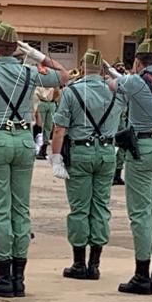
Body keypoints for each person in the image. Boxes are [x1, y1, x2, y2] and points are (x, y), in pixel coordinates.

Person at [0, 23, 67, 298]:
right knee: (20, 208)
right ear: (16, 48)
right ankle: (19, 278)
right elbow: (64, 75)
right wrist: (39, 56)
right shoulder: (28, 72)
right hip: (23, 141)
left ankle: (3, 276)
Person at [104, 0, 152, 296]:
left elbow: (111, 86)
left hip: (143, 148)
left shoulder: (134, 81)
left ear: (138, 61)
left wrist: (113, 74)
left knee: (141, 212)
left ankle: (141, 273)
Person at [49, 49, 120, 279]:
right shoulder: (115, 92)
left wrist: (56, 157)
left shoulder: (72, 91)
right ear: (102, 69)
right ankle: (95, 263)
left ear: (82, 66)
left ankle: (79, 263)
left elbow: (60, 129)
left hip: (80, 151)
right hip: (107, 152)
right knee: (100, 206)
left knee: (80, 208)